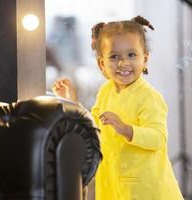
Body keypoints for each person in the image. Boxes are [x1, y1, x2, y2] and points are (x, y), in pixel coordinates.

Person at [52, 16, 184, 200]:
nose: (123, 63)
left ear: (144, 59)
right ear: (102, 64)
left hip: (147, 190)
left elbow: (158, 138)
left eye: (131, 55)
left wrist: (126, 129)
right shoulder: (106, 91)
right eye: (114, 57)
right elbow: (93, 127)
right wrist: (72, 101)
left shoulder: (149, 97)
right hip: (112, 185)